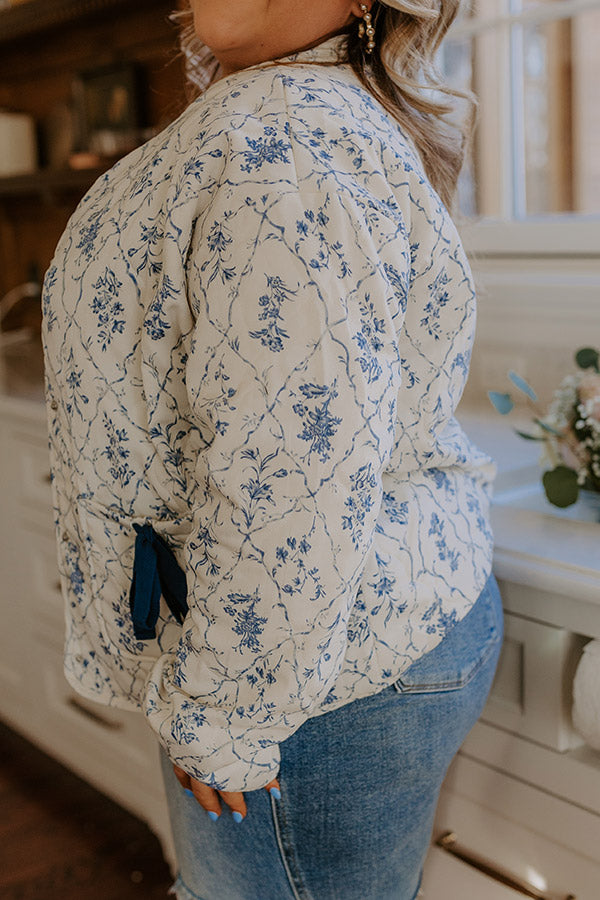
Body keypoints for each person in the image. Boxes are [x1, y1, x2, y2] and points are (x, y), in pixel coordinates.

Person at [41, 1, 504, 898]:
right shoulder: (289, 117)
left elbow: (292, 477)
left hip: (303, 680)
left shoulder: (282, 139)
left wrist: (227, 715)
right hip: (342, 640)